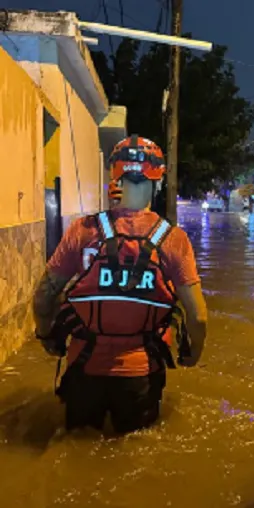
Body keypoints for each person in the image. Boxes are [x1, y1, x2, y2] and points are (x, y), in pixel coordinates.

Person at [32, 135, 209, 434]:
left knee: (77, 451)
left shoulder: (83, 231)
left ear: (115, 177)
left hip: (83, 367)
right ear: (159, 181)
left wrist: (47, 336)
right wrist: (194, 352)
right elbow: (199, 316)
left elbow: (43, 296)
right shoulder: (173, 240)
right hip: (141, 373)